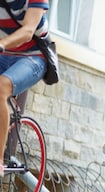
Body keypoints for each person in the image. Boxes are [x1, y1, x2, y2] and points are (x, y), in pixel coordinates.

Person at [0, 0, 49, 177]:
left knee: (1, 87)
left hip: (32, 57)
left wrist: (2, 43)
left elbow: (28, 31)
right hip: (4, 55)